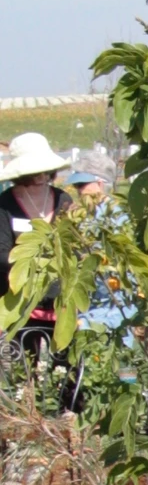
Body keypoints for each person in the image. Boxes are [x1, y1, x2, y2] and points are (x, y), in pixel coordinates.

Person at [0, 132, 72, 370]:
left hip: (59, 301)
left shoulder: (63, 200)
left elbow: (75, 247)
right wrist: (36, 264)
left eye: (45, 170)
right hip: (18, 302)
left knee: (65, 371)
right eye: (34, 172)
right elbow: (2, 254)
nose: (41, 176)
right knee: (22, 371)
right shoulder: (5, 205)